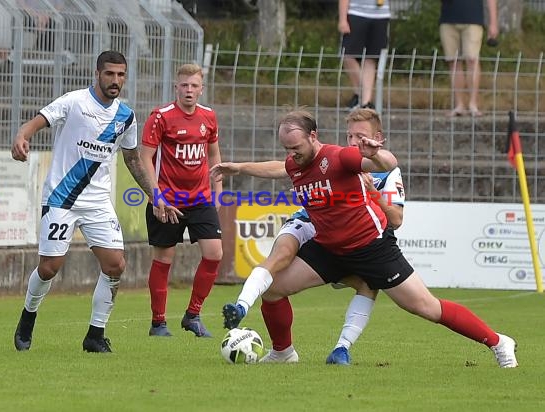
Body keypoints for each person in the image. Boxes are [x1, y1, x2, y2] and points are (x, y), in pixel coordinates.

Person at [219, 109, 518, 368]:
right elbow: (277, 167)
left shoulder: (340, 156)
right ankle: (283, 352)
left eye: (296, 147)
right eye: (287, 148)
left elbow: (387, 164)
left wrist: (376, 153)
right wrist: (239, 168)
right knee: (272, 289)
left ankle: (498, 341)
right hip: (329, 249)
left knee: (426, 307)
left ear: (313, 136)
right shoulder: (296, 163)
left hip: (372, 247)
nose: (292, 154)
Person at [212, 108, 405, 365]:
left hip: (344, 237)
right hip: (308, 221)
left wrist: (375, 191)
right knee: (280, 256)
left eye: (361, 137)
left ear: (376, 138)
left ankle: (341, 349)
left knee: (368, 283)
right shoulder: (332, 157)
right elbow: (282, 167)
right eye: (350, 136)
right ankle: (243, 309)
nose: (354, 142)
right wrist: (239, 167)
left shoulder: (382, 170)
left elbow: (395, 216)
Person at [11, 51, 166, 353]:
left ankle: (95, 335)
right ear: (97, 74)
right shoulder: (75, 102)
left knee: (116, 264)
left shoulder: (126, 116)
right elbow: (39, 120)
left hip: (97, 203)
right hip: (61, 197)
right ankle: (28, 317)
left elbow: (133, 159)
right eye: (110, 74)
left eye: (121, 75)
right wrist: (22, 135)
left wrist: (154, 194)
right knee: (49, 268)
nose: (115, 80)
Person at [140, 63, 223, 338]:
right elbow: (145, 159)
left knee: (215, 254)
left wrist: (218, 189)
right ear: (177, 86)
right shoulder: (160, 117)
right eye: (184, 85)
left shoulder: (209, 117)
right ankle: (158, 323)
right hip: (168, 201)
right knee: (164, 258)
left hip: (200, 199)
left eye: (194, 86)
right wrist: (157, 196)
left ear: (202, 89)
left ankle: (193, 315)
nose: (189, 90)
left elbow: (213, 155)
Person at [439, 0, 499, 117]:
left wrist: (493, 22)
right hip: (448, 19)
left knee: (472, 59)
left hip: (473, 19)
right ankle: (459, 105)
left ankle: (473, 104)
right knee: (453, 61)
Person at [338, 0, 391, 110]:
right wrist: (343, 19)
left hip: (380, 15)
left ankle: (365, 102)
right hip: (356, 13)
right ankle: (361, 91)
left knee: (371, 58)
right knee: (348, 55)